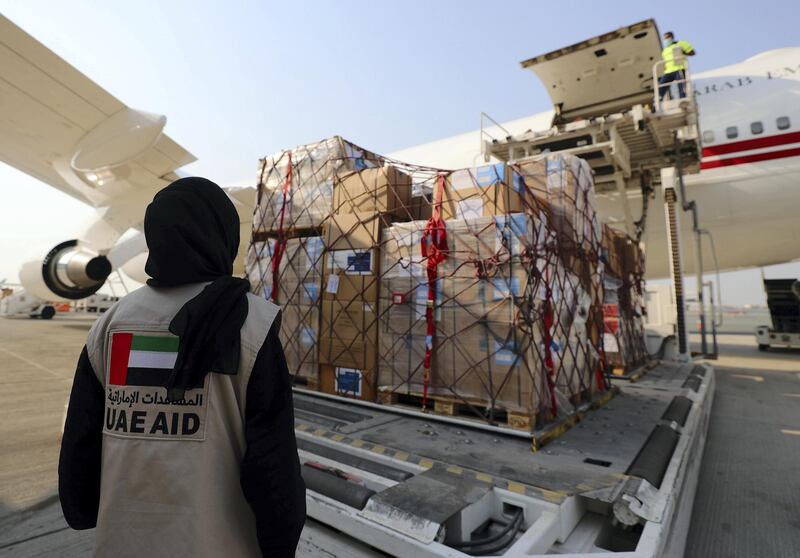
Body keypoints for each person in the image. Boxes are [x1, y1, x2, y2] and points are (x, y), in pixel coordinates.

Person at [58, 177, 306, 557]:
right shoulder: (250, 323)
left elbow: (81, 438)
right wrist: (280, 544)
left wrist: (81, 508)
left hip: (123, 542)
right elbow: (272, 462)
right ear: (222, 234)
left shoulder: (111, 324)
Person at [658, 31, 696, 101]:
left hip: (679, 69)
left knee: (681, 87)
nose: (666, 40)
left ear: (671, 37)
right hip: (668, 71)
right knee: (661, 86)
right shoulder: (665, 50)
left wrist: (682, 52)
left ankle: (683, 100)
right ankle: (657, 102)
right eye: (664, 39)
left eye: (667, 38)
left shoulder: (680, 44)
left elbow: (692, 52)